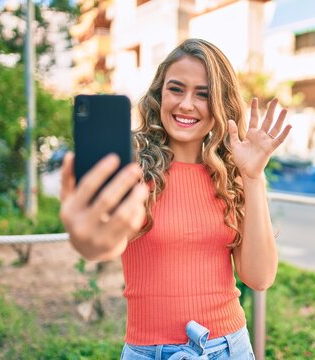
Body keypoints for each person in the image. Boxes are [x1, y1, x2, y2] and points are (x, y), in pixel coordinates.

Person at [59, 38, 292, 359]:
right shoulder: (133, 168)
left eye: (203, 94)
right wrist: (86, 238)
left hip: (228, 348)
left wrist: (253, 177)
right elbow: (103, 244)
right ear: (159, 94)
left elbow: (260, 277)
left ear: (220, 104)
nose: (186, 104)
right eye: (176, 89)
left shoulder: (232, 173)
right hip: (148, 352)